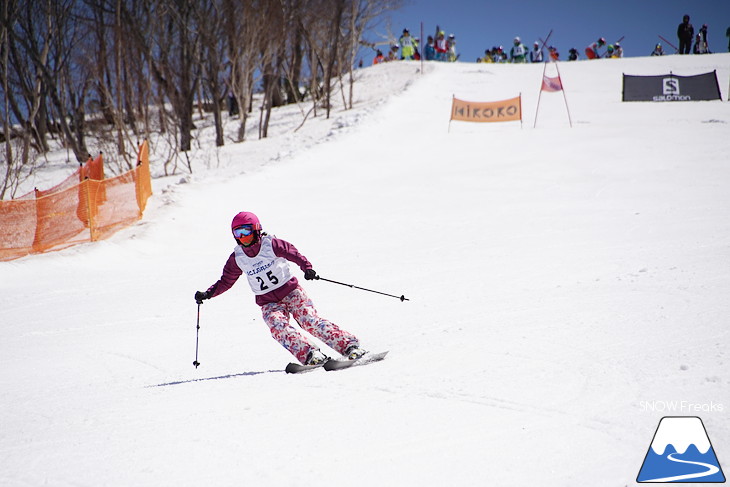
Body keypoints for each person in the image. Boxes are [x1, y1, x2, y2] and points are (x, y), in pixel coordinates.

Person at [194, 212, 367, 366]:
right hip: (268, 302)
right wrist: (208, 293)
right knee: (277, 327)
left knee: (309, 321)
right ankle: (310, 354)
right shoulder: (237, 258)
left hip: (291, 293)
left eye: (246, 231)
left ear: (256, 229)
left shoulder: (271, 244)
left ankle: (349, 346)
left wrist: (307, 268)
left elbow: (293, 253)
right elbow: (226, 280)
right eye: (238, 233)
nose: (243, 237)